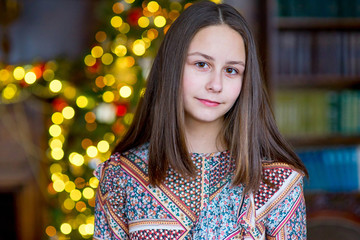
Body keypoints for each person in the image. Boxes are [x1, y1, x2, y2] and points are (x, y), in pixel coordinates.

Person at [93, 1, 308, 239]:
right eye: (201, 64)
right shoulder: (120, 177)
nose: (215, 85)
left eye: (231, 70)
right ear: (172, 67)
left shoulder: (277, 182)